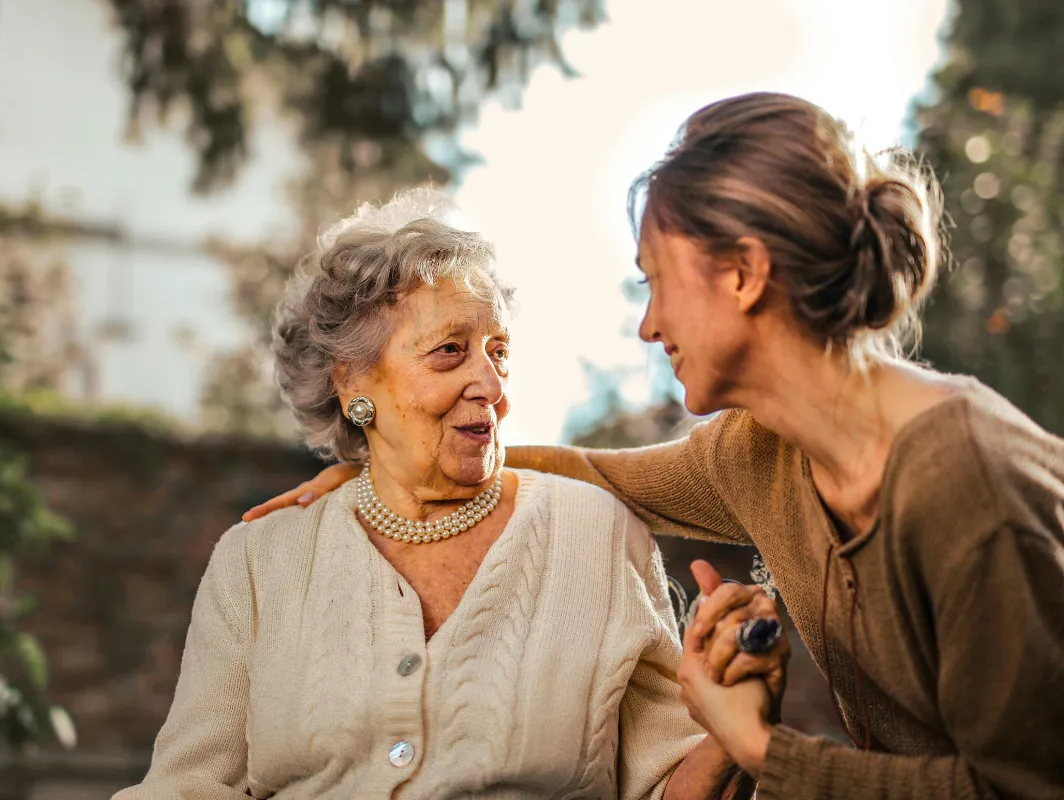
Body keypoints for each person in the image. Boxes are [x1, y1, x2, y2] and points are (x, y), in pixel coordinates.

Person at [243, 93, 1064, 799]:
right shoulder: (758, 453)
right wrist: (383, 469)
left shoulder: (969, 486)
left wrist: (758, 749)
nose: (648, 324)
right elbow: (598, 473)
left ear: (742, 274)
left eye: (656, 280)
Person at [116, 189, 778, 800]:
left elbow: (666, 785)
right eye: (449, 352)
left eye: (498, 351)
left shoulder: (596, 535)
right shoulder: (259, 561)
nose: (490, 384)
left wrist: (730, 730)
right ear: (353, 385)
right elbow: (187, 787)